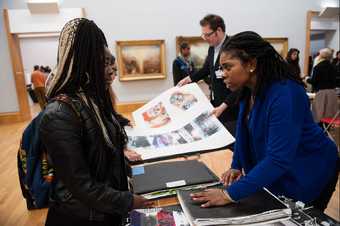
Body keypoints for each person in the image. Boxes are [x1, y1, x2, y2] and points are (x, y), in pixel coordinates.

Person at [190, 31, 339, 212]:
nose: (223, 75)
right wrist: (236, 165)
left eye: (228, 67)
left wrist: (228, 194)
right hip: (285, 168)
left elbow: (278, 159)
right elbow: (243, 131)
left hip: (311, 168)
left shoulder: (286, 94)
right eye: (221, 69)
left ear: (251, 64)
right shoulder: (249, 90)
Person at [40, 18, 151, 226]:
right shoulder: (59, 114)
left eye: (111, 62)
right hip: (82, 217)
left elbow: (102, 151)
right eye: (104, 63)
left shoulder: (94, 101)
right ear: (85, 63)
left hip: (106, 210)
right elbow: (81, 185)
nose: (111, 71)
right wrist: (127, 201)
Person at [177, 14, 240, 136]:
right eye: (203, 35)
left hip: (231, 105)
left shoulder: (233, 47)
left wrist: (224, 105)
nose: (205, 38)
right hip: (216, 101)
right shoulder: (212, 48)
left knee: (231, 136)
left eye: (207, 35)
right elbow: (207, 68)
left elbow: (239, 84)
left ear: (219, 30)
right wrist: (190, 78)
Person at [307, 48, 338, 123]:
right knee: (329, 117)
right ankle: (326, 132)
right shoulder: (333, 66)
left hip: (321, 93)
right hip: (332, 93)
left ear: (321, 56)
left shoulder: (318, 67)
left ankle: (320, 132)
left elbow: (314, 81)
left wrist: (307, 79)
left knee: (318, 116)